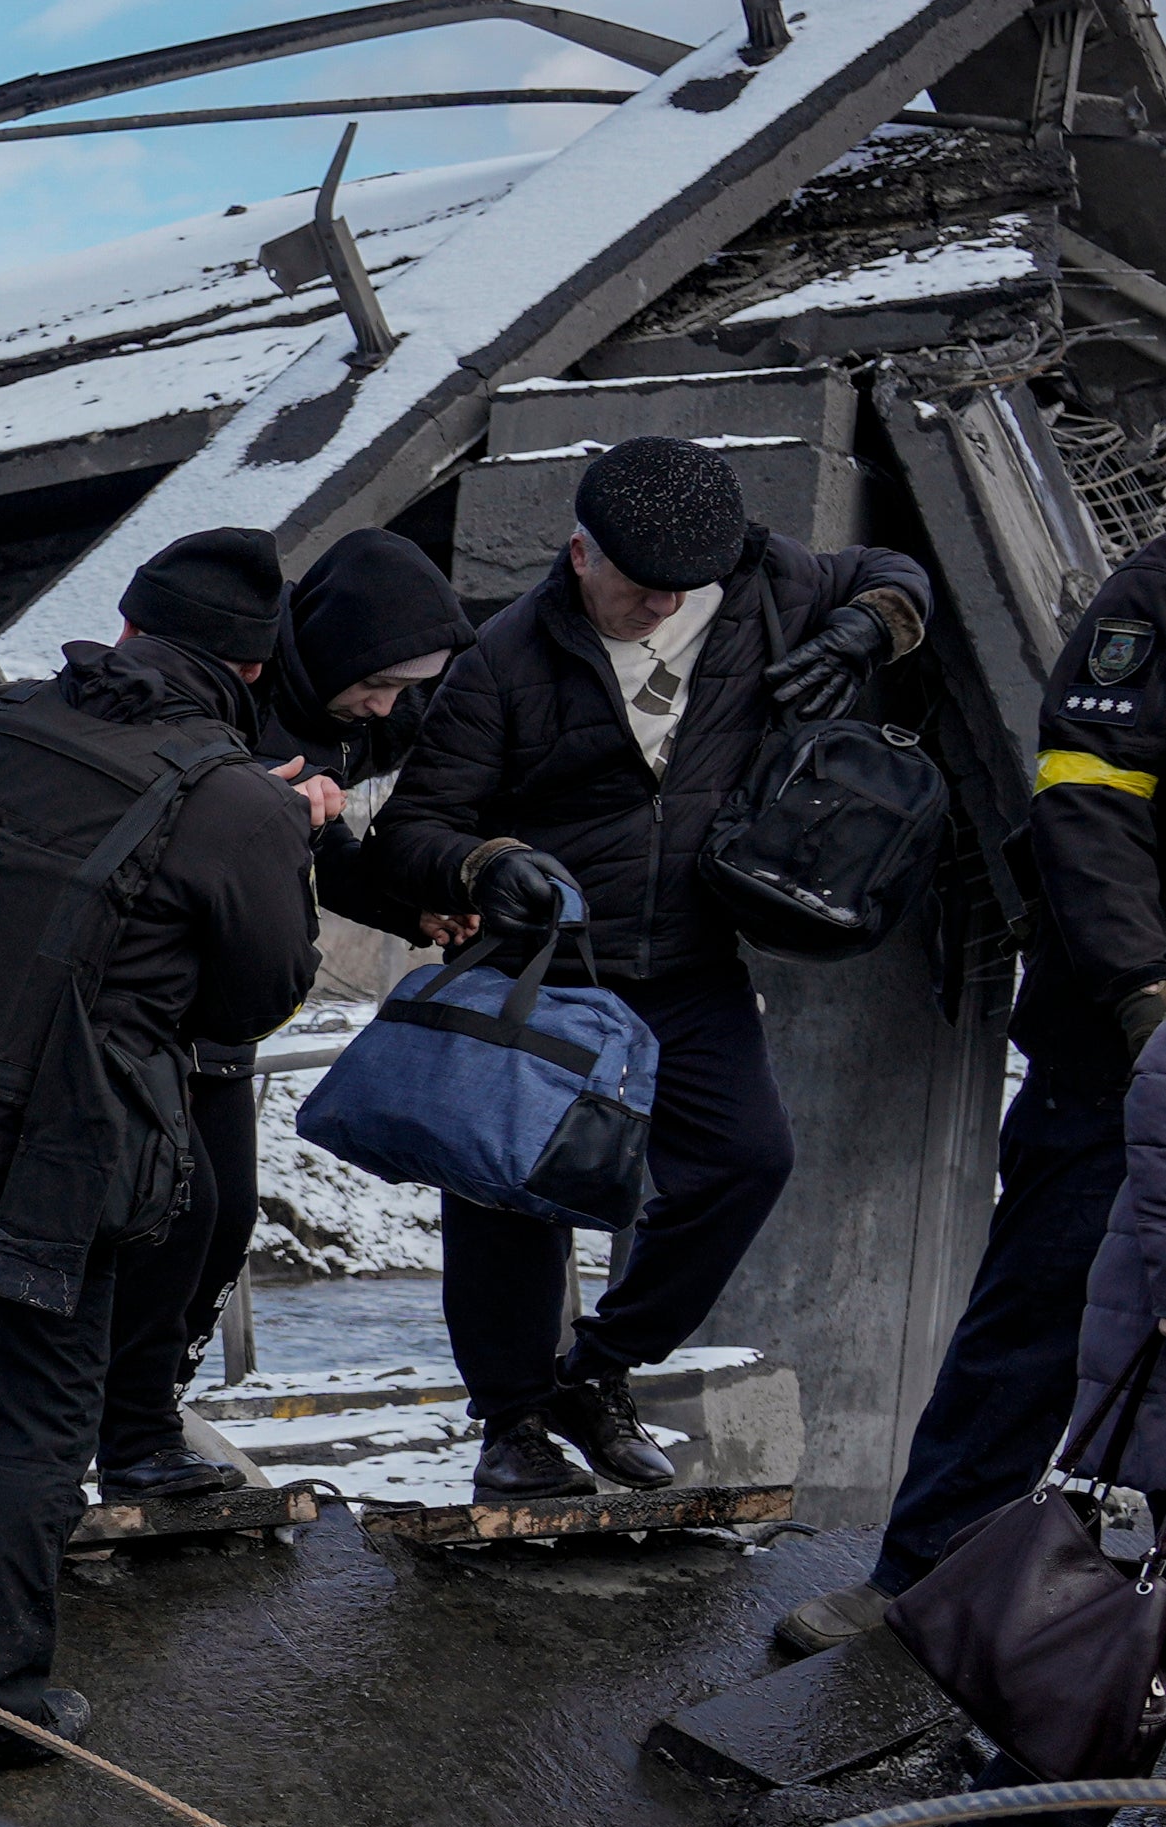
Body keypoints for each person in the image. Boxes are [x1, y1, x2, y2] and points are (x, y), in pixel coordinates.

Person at [0, 527, 322, 1776]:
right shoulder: (235, 799)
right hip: (38, 1145)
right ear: (251, 672)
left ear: (133, 626)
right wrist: (288, 838)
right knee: (32, 1414)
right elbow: (261, 995)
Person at [382, 433, 937, 1502]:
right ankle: (510, 1424)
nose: (663, 610)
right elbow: (414, 828)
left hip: (689, 958)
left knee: (745, 1160)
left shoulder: (762, 579)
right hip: (546, 967)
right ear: (580, 553)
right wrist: (488, 859)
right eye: (641, 592)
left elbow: (891, 572)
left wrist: (866, 631)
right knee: (510, 1191)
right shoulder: (500, 661)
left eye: (686, 592)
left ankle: (594, 1371)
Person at [814, 520, 1166, 1669]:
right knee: (1044, 1308)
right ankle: (921, 1578)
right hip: (1121, 1047)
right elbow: (1088, 800)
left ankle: (1113, 1638)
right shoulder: (1154, 601)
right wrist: (1142, 993)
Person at [99, 529, 466, 1499]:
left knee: (221, 1225)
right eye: (380, 687)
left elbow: (317, 842)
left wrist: (410, 909)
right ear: (337, 652)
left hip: (227, 1009)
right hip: (157, 1002)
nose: (388, 711)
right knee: (176, 1218)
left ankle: (144, 1408)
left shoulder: (335, 715)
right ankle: (121, 1425)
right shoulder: (238, 696)